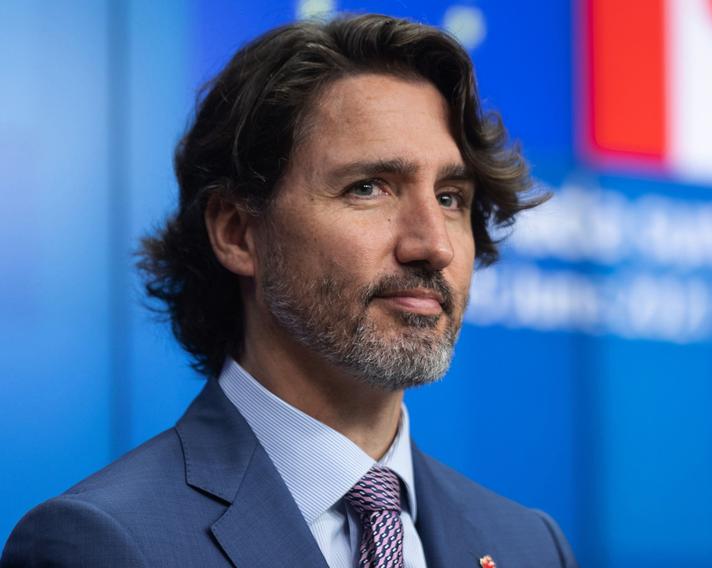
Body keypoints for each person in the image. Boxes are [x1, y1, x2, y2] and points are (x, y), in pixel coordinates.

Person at [1, 13, 577, 568]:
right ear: (237, 232)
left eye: (451, 198)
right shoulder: (102, 544)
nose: (434, 245)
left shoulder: (531, 545)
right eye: (370, 187)